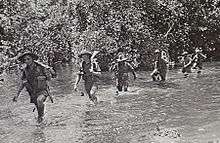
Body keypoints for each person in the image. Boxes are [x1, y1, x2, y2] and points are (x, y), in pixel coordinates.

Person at [13, 52, 53, 123]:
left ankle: (41, 118)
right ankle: (41, 121)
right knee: (38, 109)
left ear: (32, 59)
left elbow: (50, 78)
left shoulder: (41, 67)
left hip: (43, 90)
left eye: (28, 59)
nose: (27, 61)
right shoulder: (25, 70)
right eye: (25, 60)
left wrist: (48, 72)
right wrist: (17, 95)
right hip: (32, 92)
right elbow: (22, 83)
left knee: (40, 100)